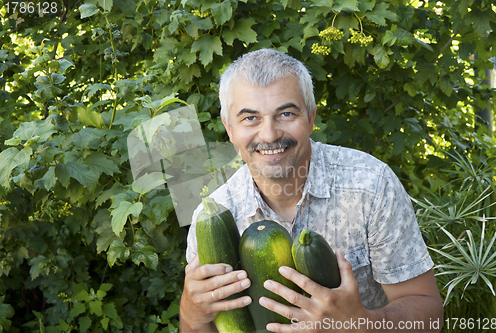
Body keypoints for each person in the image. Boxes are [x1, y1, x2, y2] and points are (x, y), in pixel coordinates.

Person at [179, 48, 443, 332]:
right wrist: (192, 316)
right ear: (229, 128)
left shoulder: (370, 186)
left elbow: (429, 313)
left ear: (311, 118)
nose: (269, 134)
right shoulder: (214, 215)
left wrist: (361, 325)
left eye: (286, 113)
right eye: (250, 118)